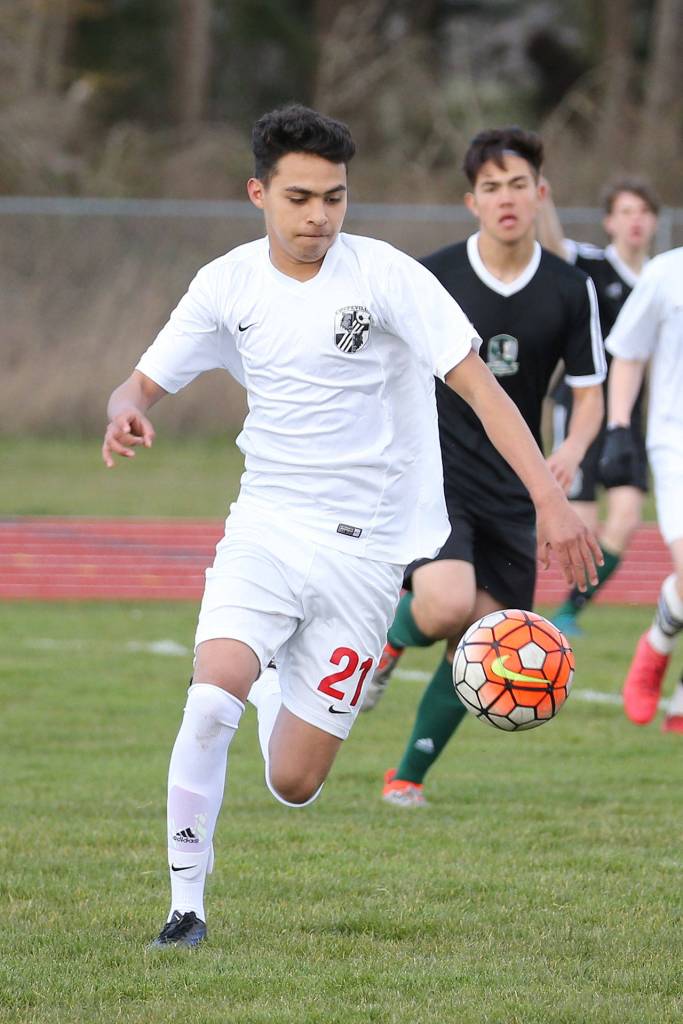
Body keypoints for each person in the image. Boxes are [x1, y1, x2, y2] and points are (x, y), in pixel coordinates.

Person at [102, 106, 601, 947]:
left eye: (333, 198)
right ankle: (186, 905)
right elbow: (140, 384)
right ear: (258, 192)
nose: (317, 217)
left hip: (366, 556)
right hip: (265, 526)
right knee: (207, 698)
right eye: (298, 198)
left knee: (294, 782)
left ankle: (273, 677)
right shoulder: (226, 283)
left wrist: (550, 499)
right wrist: (125, 411)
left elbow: (482, 389)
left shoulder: (387, 278)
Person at [359, 126, 606, 808]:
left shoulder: (568, 287)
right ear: (471, 201)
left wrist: (573, 449)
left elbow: (589, 394)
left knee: (487, 639)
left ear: (540, 194)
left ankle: (405, 776)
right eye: (490, 187)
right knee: (443, 602)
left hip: (515, 485)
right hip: (432, 474)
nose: (506, 199)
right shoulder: (432, 275)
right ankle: (386, 643)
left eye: (517, 185)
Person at [537, 178, 660, 636]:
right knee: (581, 526)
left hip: (631, 417)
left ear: (654, 222)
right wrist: (542, 199)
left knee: (626, 518)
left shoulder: (659, 279)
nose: (635, 221)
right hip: (584, 407)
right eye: (626, 211)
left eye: (643, 212)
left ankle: (570, 611)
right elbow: (549, 245)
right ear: (610, 220)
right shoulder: (590, 264)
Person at [599, 246, 683, 734]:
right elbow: (628, 353)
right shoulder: (667, 272)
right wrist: (618, 427)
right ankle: (656, 644)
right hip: (676, 441)